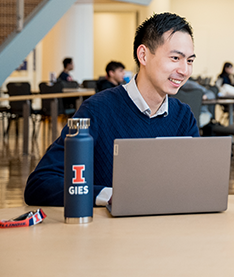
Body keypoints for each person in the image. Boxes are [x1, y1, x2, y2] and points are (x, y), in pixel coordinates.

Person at [24, 12, 199, 206]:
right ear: (143, 55)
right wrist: (109, 196)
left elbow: (194, 183)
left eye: (190, 60)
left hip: (168, 229)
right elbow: (40, 184)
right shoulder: (97, 110)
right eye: (175, 58)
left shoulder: (183, 116)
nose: (185, 70)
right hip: (109, 232)